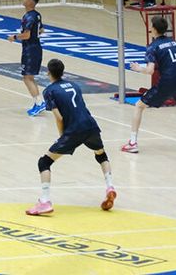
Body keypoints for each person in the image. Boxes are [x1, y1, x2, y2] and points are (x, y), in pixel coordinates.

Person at [26, 59, 116, 216]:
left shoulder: (49, 91)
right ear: (63, 72)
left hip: (74, 130)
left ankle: (45, 201)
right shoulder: (74, 85)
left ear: (48, 73)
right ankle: (110, 186)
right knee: (101, 154)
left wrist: (62, 136)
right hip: (90, 124)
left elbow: (59, 117)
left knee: (44, 162)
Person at [122, 16, 176, 153]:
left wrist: (138, 68)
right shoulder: (174, 43)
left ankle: (132, 143)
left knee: (139, 106)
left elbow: (150, 71)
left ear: (153, 29)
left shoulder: (152, 47)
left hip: (167, 81)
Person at [8, 0, 45, 117]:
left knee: (27, 78)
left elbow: (27, 35)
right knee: (30, 77)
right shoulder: (37, 15)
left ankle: (39, 103)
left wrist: (14, 37)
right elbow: (41, 30)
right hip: (36, 48)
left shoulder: (29, 17)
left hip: (30, 50)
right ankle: (38, 102)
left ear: (30, 1)